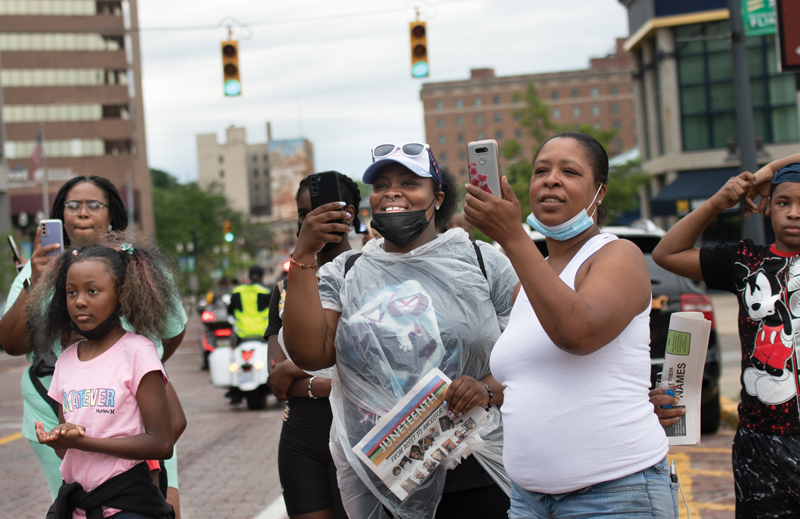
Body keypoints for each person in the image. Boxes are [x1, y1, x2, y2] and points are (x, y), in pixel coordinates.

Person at [283, 143, 518, 519]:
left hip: (479, 469)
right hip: (386, 477)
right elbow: (310, 353)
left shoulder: (484, 262)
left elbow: (532, 353)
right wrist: (304, 253)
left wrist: (487, 388)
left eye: (409, 182)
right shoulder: (344, 272)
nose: (392, 192)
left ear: (437, 197)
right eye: (381, 185)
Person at [464, 132, 675, 518]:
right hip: (529, 500)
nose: (551, 180)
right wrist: (483, 390)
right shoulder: (530, 282)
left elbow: (577, 333)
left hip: (614, 495)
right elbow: (531, 373)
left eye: (570, 172)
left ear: (599, 192)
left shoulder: (618, 255)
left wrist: (512, 237)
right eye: (541, 171)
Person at [0, 176, 188, 516]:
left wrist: (135, 371)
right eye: (73, 205)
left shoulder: (135, 272)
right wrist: (35, 279)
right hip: (54, 404)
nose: (83, 213)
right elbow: (9, 341)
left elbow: (173, 331)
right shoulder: (41, 273)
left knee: (161, 503)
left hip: (133, 413)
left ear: (112, 213)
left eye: (94, 205)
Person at [652, 153, 800, 518]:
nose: (794, 213)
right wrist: (720, 201)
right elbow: (666, 253)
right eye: (783, 202)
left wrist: (771, 170)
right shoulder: (745, 261)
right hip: (761, 448)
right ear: (768, 207)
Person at [31, 238, 182, 519]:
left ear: (121, 293)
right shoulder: (66, 360)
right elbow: (67, 453)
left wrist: (83, 442)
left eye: (93, 290)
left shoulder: (138, 352)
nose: (80, 301)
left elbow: (161, 443)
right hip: (79, 504)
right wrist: (59, 439)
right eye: (71, 292)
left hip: (128, 503)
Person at [266, 171, 363, 519]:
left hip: (357, 437)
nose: (310, 221)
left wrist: (302, 373)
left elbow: (369, 366)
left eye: (320, 211)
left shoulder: (369, 274)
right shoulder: (285, 289)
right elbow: (276, 379)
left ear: (348, 214)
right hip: (301, 440)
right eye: (303, 214)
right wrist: (322, 379)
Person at [229, 266, 271, 341]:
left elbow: (230, 312)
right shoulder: (267, 292)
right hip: (263, 334)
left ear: (249, 277)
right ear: (262, 277)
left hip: (242, 334)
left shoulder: (237, 292)